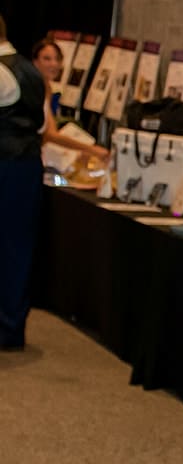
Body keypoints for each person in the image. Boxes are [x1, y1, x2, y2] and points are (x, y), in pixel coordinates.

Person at [0, 19, 47, 351]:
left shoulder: (2, 70)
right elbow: (41, 125)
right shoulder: (30, 70)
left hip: (5, 163)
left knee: (10, 247)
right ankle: (11, 325)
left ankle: (8, 326)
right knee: (17, 245)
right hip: (26, 163)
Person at [31, 35, 109, 169]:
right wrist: (92, 149)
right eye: (47, 59)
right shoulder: (37, 88)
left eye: (57, 59)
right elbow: (50, 134)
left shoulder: (46, 87)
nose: (54, 64)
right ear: (35, 62)